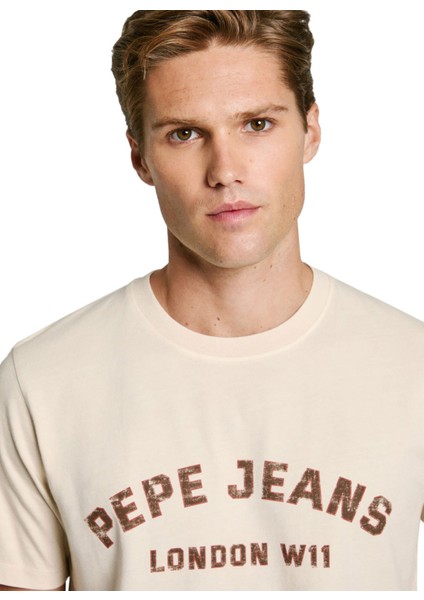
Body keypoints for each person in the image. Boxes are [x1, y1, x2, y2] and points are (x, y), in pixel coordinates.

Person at [0, 9, 423, 592]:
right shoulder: (42, 381)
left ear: (311, 130)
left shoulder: (412, 365)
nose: (225, 171)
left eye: (257, 124)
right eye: (185, 133)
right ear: (140, 157)